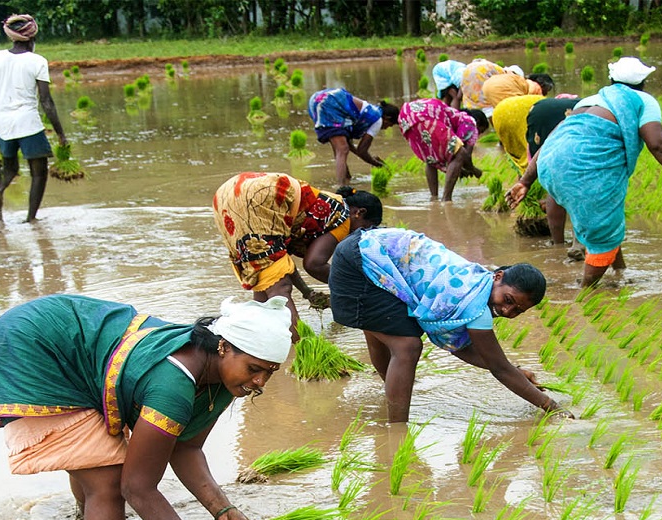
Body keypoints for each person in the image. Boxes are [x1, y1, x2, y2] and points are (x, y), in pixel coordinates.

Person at [0, 294, 293, 520]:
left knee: (94, 461)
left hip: (78, 345)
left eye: (269, 372)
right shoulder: (172, 385)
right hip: (34, 343)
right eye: (254, 369)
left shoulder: (225, 379)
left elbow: (187, 447)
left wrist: (222, 508)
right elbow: (137, 488)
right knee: (107, 482)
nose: (260, 383)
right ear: (224, 346)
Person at [328, 226, 563, 423]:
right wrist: (550, 406)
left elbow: (464, 349)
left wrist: (516, 372)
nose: (506, 310)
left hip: (368, 251)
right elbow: (498, 367)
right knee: (407, 346)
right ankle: (397, 431)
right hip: (363, 260)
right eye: (508, 300)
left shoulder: (478, 282)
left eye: (518, 311)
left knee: (389, 331)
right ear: (498, 277)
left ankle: (391, 397)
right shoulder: (475, 304)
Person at [511, 57, 662, 286]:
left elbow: (552, 141)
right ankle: (585, 291)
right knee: (604, 231)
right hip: (587, 168)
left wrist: (525, 181)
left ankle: (619, 273)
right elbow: (658, 145)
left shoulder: (591, 101)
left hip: (550, 165)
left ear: (611, 79)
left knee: (608, 219)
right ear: (643, 82)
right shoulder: (642, 100)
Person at [212, 172, 383, 334]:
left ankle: (255, 344)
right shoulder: (343, 217)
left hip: (230, 193)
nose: (360, 237)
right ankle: (298, 348)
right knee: (281, 288)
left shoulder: (327, 204)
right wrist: (356, 287)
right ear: (359, 213)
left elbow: (281, 260)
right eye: (367, 228)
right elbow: (314, 264)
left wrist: (307, 292)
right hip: (260, 196)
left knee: (264, 285)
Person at [0, 14, 66, 231]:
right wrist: (61, 133)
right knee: (39, 172)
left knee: (10, 167)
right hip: (28, 124)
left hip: (3, 124)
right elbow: (46, 101)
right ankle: (31, 219)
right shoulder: (37, 61)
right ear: (32, 38)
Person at [505, 95, 581, 256]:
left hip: (537, 113)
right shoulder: (592, 107)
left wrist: (525, 180)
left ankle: (558, 244)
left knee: (555, 181)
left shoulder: (545, 101)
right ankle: (578, 243)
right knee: (578, 184)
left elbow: (543, 146)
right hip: (564, 120)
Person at [397, 98, 487, 202]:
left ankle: (434, 197)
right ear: (478, 123)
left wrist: (460, 169)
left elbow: (450, 156)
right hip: (425, 115)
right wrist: (475, 171)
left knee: (431, 158)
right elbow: (463, 155)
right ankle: (446, 199)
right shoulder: (470, 122)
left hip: (406, 116)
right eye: (481, 131)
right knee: (460, 153)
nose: (478, 134)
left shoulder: (454, 117)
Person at [307, 89, 400, 186]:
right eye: (389, 125)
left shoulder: (368, 112)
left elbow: (351, 146)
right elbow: (362, 150)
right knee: (342, 149)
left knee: (340, 148)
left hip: (316, 99)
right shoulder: (377, 119)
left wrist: (372, 159)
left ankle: (346, 178)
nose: (385, 128)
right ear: (387, 118)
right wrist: (380, 165)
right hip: (330, 101)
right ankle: (342, 188)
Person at [481, 70, 553, 109]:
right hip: (499, 86)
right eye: (546, 90)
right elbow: (540, 106)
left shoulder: (520, 82)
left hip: (487, 85)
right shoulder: (535, 87)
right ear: (542, 85)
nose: (546, 94)